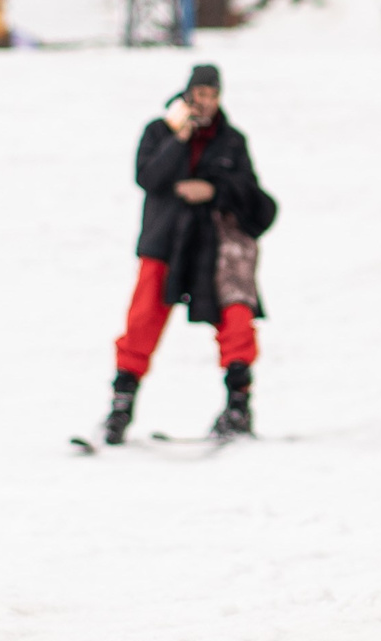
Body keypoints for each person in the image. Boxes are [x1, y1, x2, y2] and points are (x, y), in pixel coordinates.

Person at [98, 64, 279, 444]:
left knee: (236, 316)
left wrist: (212, 191)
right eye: (199, 95)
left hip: (214, 245)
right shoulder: (159, 132)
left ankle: (238, 405)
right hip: (164, 241)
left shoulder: (231, 141)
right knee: (143, 319)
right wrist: (179, 139)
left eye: (212, 96)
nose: (205, 103)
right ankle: (120, 406)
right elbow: (148, 177)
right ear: (187, 95)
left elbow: (251, 194)